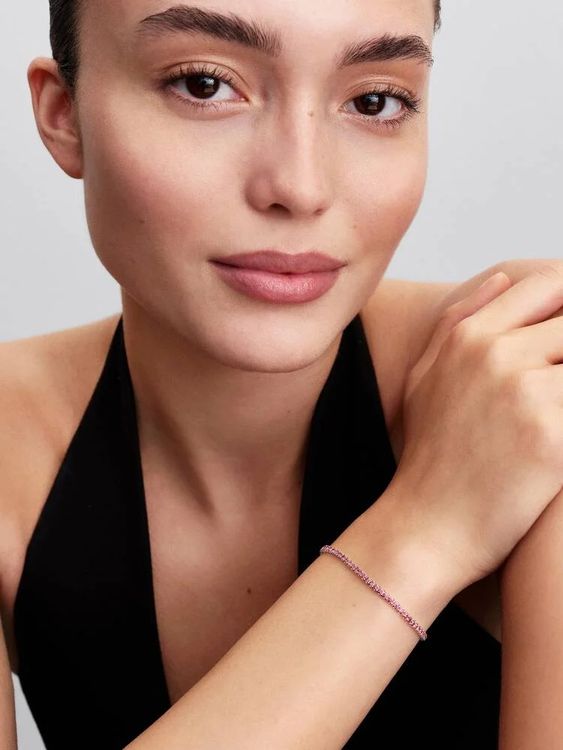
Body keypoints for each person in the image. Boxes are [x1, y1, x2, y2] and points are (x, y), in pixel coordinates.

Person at [1, 0, 563, 748]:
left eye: (375, 100)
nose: (300, 187)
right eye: (203, 85)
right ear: (63, 114)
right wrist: (424, 531)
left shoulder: (532, 378)